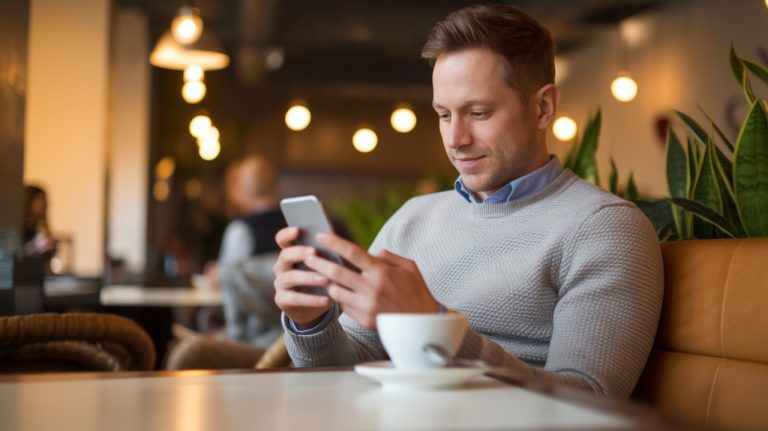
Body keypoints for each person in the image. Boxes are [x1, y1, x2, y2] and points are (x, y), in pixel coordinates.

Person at [272, 4, 663, 400]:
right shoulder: (414, 218)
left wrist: (435, 326)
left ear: (543, 108)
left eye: (478, 112)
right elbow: (349, 370)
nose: (456, 139)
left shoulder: (604, 228)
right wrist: (313, 324)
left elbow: (590, 402)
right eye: (444, 115)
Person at [167, 155, 287, 369]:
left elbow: (227, 278)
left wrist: (218, 275)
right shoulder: (293, 226)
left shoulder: (240, 230)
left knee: (184, 346)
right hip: (290, 341)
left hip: (248, 338)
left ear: (243, 190)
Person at [21, 185, 58, 272]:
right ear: (29, 200)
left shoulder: (36, 229)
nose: (44, 203)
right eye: (40, 198)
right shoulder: (17, 227)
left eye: (45, 199)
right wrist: (35, 247)